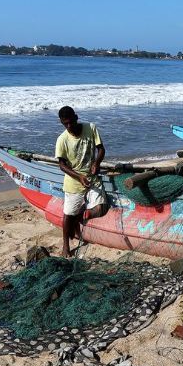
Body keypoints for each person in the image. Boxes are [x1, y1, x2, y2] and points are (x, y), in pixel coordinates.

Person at [55, 106, 108, 257]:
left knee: (101, 209)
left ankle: (79, 219)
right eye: (65, 124)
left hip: (92, 179)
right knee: (68, 214)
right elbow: (62, 165)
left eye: (71, 122)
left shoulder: (90, 128)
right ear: (61, 123)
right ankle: (66, 245)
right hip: (74, 181)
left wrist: (96, 163)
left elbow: (101, 149)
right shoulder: (62, 140)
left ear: (76, 117)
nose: (69, 126)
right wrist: (79, 177)